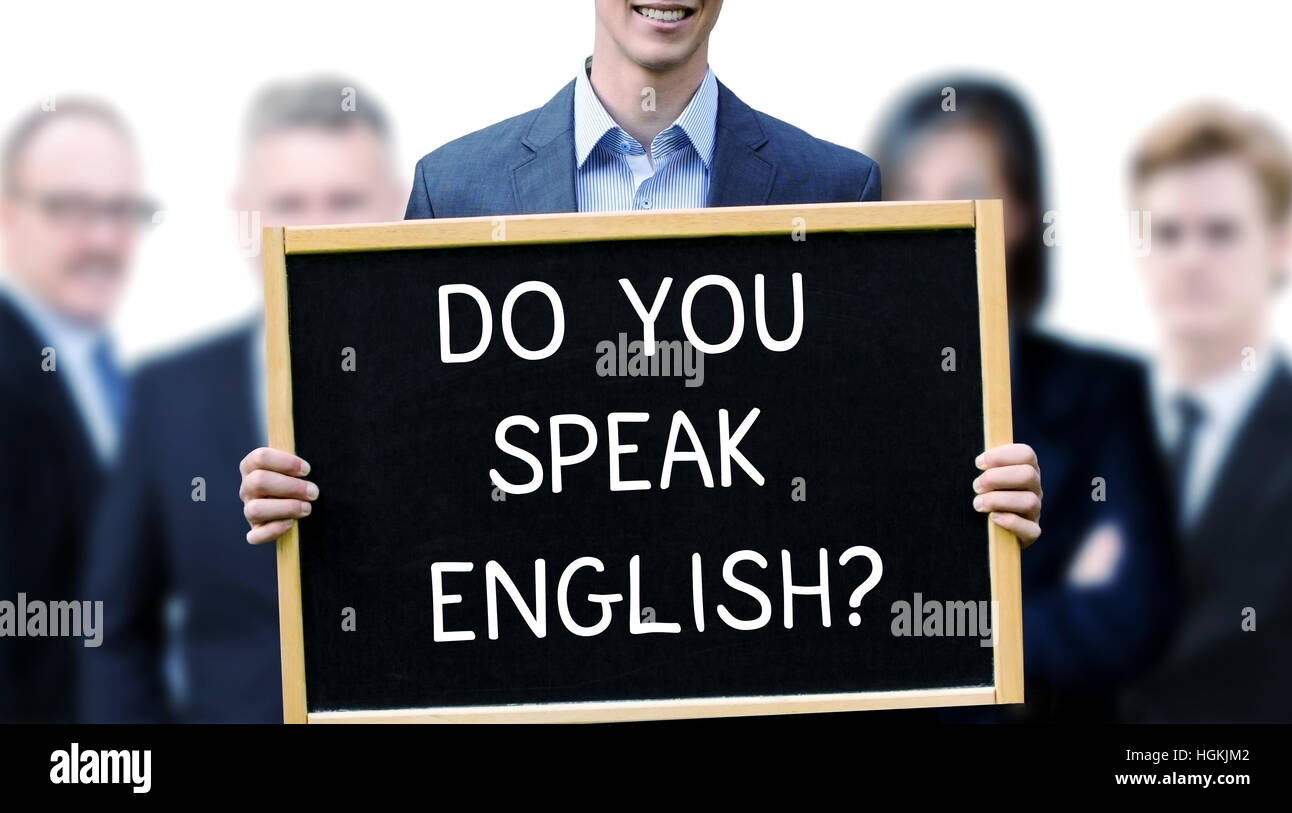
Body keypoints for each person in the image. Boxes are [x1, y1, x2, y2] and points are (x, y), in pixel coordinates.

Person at [239, 4, 1042, 578]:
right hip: (536, 670)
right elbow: (413, 452)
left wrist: (975, 496)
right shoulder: (458, 189)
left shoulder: (832, 185)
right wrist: (311, 490)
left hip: (758, 676)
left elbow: (871, 450)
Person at [80, 78, 406, 722]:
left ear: (395, 204)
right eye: (290, 203)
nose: (315, 228)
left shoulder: (466, 383)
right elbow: (112, 631)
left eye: (344, 200)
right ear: (244, 219)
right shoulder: (168, 397)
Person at [869, 77, 1177, 720]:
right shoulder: (844, 398)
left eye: (963, 195)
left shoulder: (1104, 394)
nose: (937, 221)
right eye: (911, 197)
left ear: (1020, 210)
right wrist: (1043, 603)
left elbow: (1128, 619)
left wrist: (925, 628)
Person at [1121, 103, 1292, 722]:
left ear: (1281, 244)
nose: (1191, 258)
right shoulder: (1084, 432)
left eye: (1221, 232)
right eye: (1168, 234)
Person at [0, 99, 153, 721]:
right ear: (7, 214)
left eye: (120, 211)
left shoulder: (110, 373)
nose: (103, 239)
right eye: (70, 209)